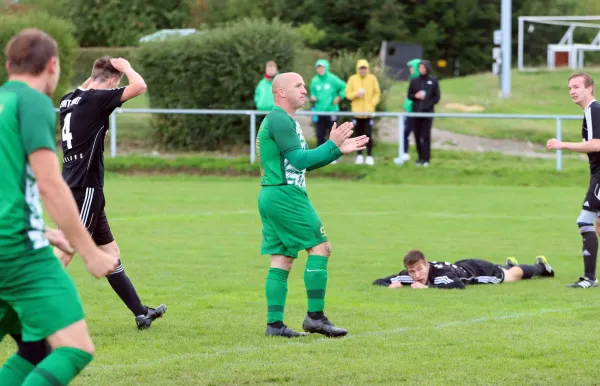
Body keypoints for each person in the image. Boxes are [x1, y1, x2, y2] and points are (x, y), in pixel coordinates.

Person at [0, 28, 118, 385]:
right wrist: (90, 252)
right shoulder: (32, 102)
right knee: (75, 348)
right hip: (17, 253)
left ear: (8, 65)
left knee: (35, 349)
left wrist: (49, 231)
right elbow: (50, 183)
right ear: (52, 66)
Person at [55, 56, 167, 329]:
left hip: (75, 186)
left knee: (111, 253)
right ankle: (30, 310)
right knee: (67, 250)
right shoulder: (98, 100)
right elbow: (139, 86)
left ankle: (141, 313)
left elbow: (89, 85)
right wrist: (127, 66)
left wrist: (103, 72)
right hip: (85, 187)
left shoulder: (69, 99)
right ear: (114, 80)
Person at [256, 72, 369, 337]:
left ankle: (275, 325)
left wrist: (337, 150)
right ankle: (315, 317)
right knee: (321, 248)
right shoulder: (279, 119)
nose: (305, 90)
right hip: (285, 196)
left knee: (282, 259)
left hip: (273, 194)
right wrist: (332, 145)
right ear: (281, 92)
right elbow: (300, 160)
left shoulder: (284, 120)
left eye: (305, 86)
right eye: (299, 86)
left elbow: (305, 161)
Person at [547, 72, 600, 288]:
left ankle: (589, 279)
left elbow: (597, 144)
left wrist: (563, 145)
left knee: (585, 221)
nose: (572, 91)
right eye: (570, 88)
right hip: (597, 172)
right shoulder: (592, 111)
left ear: (590, 88)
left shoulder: (593, 110)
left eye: (577, 87)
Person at [373, 250, 554, 289]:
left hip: (479, 270)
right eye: (412, 271)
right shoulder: (408, 276)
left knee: (512, 276)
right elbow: (378, 282)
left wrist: (426, 288)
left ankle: (542, 267)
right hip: (461, 264)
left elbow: (458, 286)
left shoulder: (441, 275)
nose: (417, 275)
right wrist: (391, 286)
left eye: (420, 269)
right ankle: (508, 264)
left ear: (427, 265)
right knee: (508, 271)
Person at [345, 59, 381, 165]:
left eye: (364, 68)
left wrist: (372, 104)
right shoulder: (352, 79)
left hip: (369, 113)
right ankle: (359, 155)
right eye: (361, 68)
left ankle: (369, 155)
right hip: (356, 113)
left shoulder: (372, 79)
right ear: (358, 69)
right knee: (358, 134)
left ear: (367, 69)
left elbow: (377, 93)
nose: (362, 71)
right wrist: (356, 94)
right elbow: (348, 94)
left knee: (368, 134)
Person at [407, 60, 440, 167]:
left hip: (427, 113)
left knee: (426, 136)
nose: (422, 69)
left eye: (424, 67)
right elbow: (409, 95)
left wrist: (428, 104)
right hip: (416, 112)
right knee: (417, 136)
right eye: (420, 67)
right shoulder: (414, 81)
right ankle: (420, 158)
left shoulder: (433, 80)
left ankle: (426, 159)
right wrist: (415, 96)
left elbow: (437, 97)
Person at [310, 59, 347, 147]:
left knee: (332, 133)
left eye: (322, 67)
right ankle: (320, 155)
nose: (320, 69)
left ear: (326, 68)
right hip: (319, 111)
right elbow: (312, 92)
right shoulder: (314, 80)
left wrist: (339, 96)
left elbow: (344, 87)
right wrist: (313, 96)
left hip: (332, 110)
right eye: (318, 68)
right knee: (320, 133)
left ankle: (333, 153)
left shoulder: (333, 79)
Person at [394, 58, 421, 164]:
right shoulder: (412, 80)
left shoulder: (419, 81)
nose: (410, 69)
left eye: (411, 67)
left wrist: (407, 108)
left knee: (416, 134)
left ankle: (421, 158)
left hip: (414, 112)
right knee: (405, 133)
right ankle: (404, 153)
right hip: (409, 112)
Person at [254, 60, 278, 126]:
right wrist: (258, 104)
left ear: (276, 70)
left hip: (276, 113)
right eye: (268, 68)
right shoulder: (261, 83)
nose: (270, 71)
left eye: (272, 68)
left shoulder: (280, 82)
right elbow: (257, 95)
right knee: (265, 134)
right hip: (262, 113)